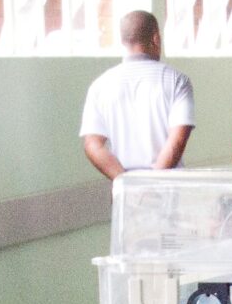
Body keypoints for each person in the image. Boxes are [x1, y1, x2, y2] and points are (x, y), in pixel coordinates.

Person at [79, 10, 194, 179]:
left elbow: (93, 145)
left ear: (122, 41)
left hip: (125, 195)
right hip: (167, 189)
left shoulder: (99, 86)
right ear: (156, 39)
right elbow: (176, 140)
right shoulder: (177, 80)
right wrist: (151, 184)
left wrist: (126, 182)